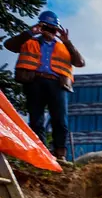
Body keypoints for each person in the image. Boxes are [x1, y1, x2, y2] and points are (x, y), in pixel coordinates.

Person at [3, 10, 85, 163]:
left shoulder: (64, 47)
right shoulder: (29, 42)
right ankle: (42, 153)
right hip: (34, 82)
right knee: (36, 120)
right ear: (40, 27)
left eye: (53, 29)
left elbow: (80, 62)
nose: (50, 32)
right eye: (46, 28)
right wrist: (30, 32)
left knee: (60, 120)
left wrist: (67, 41)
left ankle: (60, 153)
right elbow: (9, 45)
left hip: (57, 84)